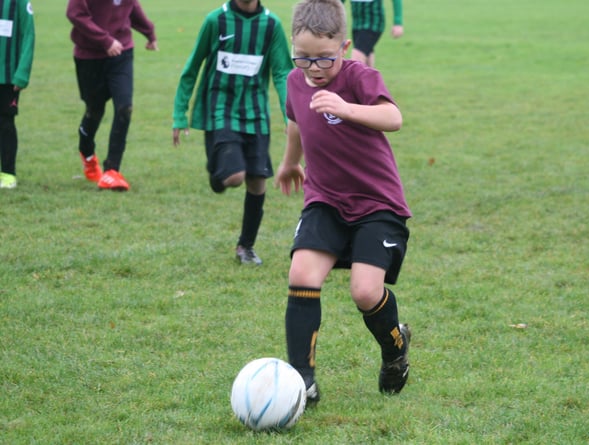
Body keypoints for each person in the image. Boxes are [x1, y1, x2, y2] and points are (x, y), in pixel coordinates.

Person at [276, 0, 412, 405]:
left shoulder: (359, 77)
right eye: (303, 58)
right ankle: (304, 382)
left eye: (324, 59)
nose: (314, 68)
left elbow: (394, 118)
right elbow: (296, 123)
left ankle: (395, 350)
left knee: (365, 292)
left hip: (377, 203)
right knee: (302, 272)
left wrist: (346, 108)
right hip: (325, 198)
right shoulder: (294, 81)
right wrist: (288, 164)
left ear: (344, 45)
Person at [172, 0, 292, 265]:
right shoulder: (216, 21)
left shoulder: (272, 25)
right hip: (221, 112)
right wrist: (180, 114)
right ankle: (219, 175)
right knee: (235, 177)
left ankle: (245, 247)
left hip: (256, 115)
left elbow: (282, 72)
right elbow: (192, 67)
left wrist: (290, 114)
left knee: (258, 182)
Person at [66, 0, 158, 191]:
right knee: (94, 111)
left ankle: (112, 171)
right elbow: (75, 13)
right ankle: (88, 155)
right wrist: (105, 40)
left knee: (125, 107)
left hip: (121, 53)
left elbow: (131, 7)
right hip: (89, 57)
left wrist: (149, 32)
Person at [0, 0, 35, 189]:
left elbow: (29, 35)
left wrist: (22, 73)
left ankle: (7, 173)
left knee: (5, 123)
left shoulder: (19, 3)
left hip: (7, 77)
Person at [342, 0, 403, 68]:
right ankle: (373, 78)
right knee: (367, 63)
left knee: (356, 61)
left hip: (373, 23)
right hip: (356, 25)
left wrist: (398, 21)